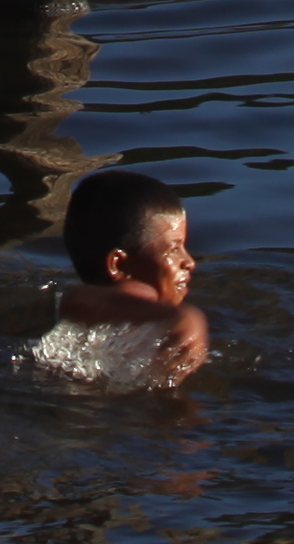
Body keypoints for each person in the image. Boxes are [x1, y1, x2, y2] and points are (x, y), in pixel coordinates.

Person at [27, 166, 210, 389]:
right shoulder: (94, 302)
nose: (189, 262)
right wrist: (184, 317)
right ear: (119, 265)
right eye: (173, 249)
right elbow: (81, 300)